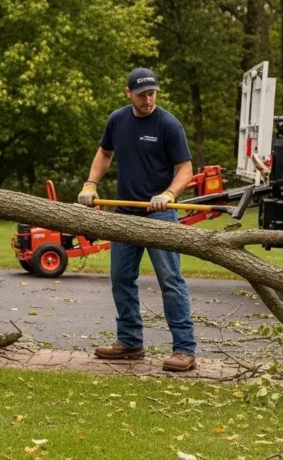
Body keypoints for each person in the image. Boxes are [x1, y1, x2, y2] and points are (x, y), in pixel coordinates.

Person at [77, 68, 197, 372]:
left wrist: (169, 194)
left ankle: (184, 349)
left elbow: (185, 169)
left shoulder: (168, 124)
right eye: (142, 94)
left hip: (160, 216)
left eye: (152, 93)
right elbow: (105, 153)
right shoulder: (118, 120)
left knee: (170, 281)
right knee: (121, 279)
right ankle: (130, 343)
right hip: (125, 216)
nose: (148, 99)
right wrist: (91, 184)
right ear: (128, 92)